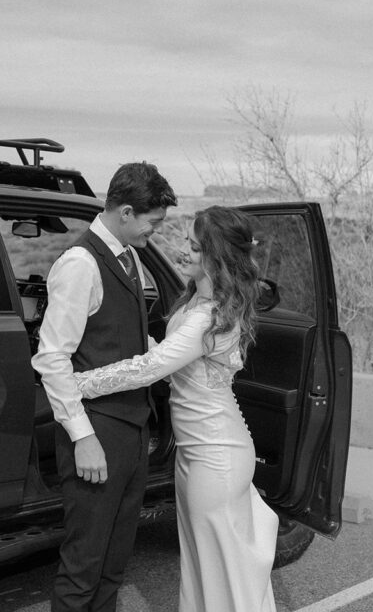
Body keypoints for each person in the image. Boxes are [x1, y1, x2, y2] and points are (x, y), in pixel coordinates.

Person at [73, 205, 278, 612]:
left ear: (217, 258)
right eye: (187, 241)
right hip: (195, 453)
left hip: (216, 455)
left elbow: (151, 368)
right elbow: (171, 365)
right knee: (202, 567)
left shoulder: (209, 316)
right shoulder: (193, 303)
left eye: (196, 247)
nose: (185, 251)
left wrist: (78, 383)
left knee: (220, 570)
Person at [32, 161, 177, 612]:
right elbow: (52, 358)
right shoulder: (79, 264)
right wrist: (84, 439)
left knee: (114, 564)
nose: (154, 233)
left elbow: (128, 338)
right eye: (153, 224)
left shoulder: (128, 256)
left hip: (132, 431)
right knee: (83, 568)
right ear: (127, 212)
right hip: (98, 432)